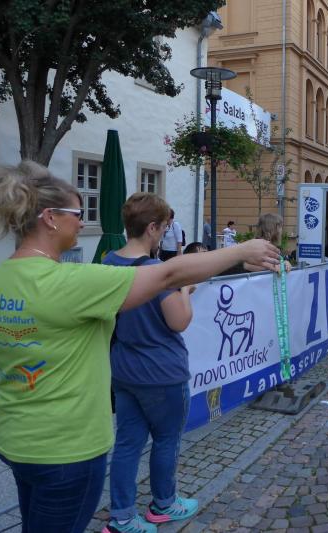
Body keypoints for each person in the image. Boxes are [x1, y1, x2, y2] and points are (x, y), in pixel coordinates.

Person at [0, 161, 280, 533]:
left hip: (15, 439)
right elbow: (168, 274)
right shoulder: (70, 280)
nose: (82, 223)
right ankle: (161, 504)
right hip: (67, 447)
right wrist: (240, 250)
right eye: (77, 214)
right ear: (50, 218)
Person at [103, 193, 200, 532]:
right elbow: (179, 321)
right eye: (164, 228)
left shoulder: (108, 262)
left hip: (124, 368)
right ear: (152, 228)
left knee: (127, 444)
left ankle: (122, 516)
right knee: (166, 440)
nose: (165, 235)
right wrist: (184, 289)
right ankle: (164, 504)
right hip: (162, 371)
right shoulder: (157, 272)